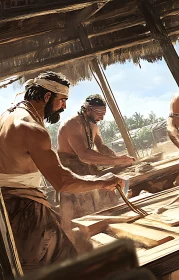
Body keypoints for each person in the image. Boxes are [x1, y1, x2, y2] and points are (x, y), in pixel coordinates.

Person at [0, 71, 123, 272]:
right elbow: (62, 182)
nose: (64, 106)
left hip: (9, 208)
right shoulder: (31, 129)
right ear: (47, 97)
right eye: (62, 100)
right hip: (23, 209)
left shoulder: (7, 115)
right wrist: (102, 182)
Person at [57, 94, 135, 238]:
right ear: (87, 109)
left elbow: (102, 147)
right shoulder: (72, 125)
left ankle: (108, 231)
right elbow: (84, 155)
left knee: (112, 187)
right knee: (79, 219)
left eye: (103, 114)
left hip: (88, 172)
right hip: (73, 176)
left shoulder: (92, 125)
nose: (102, 118)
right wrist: (117, 162)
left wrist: (119, 159)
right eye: (99, 114)